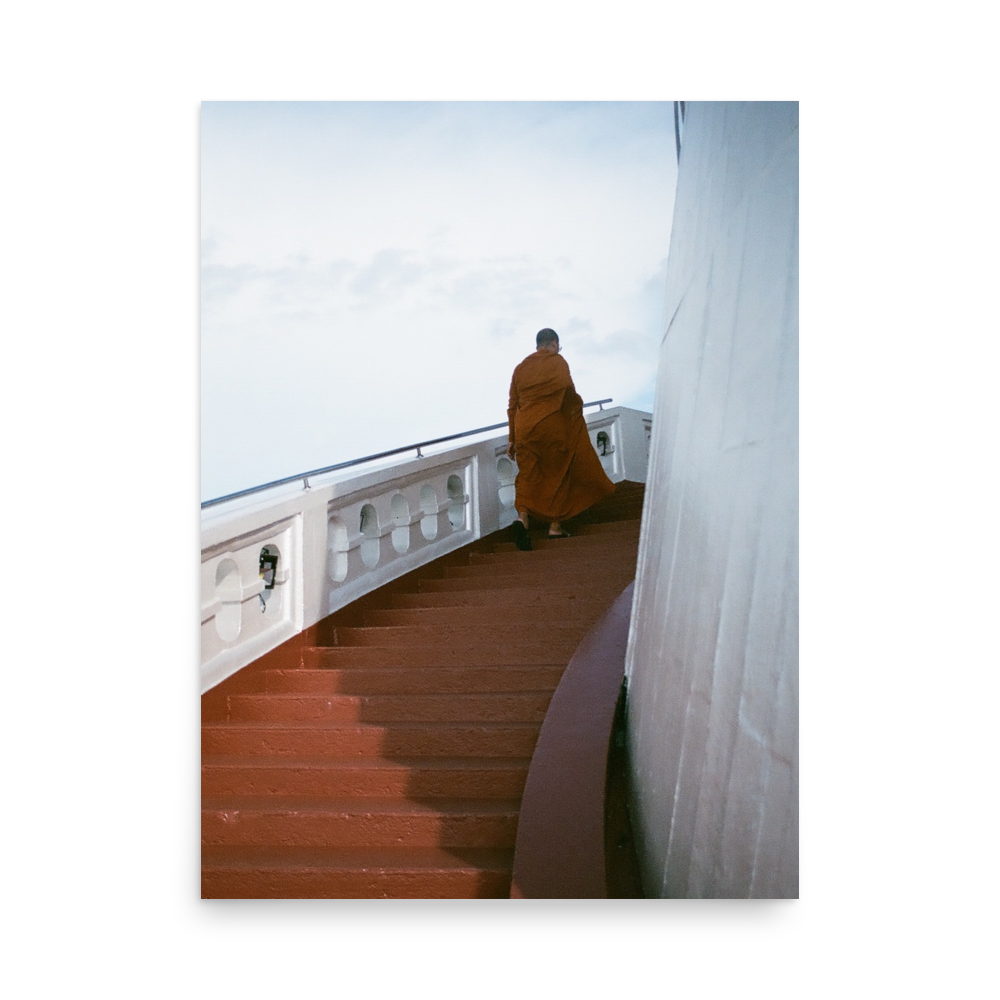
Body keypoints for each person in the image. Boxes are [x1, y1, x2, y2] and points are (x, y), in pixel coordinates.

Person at [506, 328, 615, 551]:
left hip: (524, 429)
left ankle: (522, 520)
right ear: (554, 344)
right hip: (552, 427)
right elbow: (569, 395)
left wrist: (512, 438)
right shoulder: (558, 362)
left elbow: (512, 406)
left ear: (537, 345)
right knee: (558, 474)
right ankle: (555, 527)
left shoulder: (520, 368)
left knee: (527, 476)